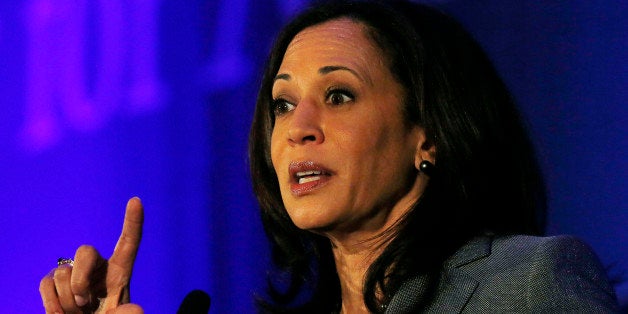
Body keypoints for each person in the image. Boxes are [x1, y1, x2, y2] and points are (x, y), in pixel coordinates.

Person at [40, 1, 620, 313]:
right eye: (283, 104)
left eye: (339, 95)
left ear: (430, 135)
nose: (299, 129)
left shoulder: (531, 283)